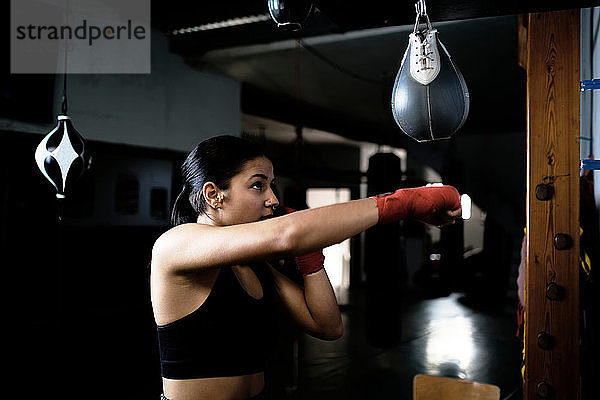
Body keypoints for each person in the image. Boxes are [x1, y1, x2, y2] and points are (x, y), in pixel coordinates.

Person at [150, 135, 462, 400]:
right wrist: (404, 203)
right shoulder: (175, 245)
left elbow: (327, 326)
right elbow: (286, 234)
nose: (273, 199)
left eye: (272, 185)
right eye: (258, 186)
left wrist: (309, 255)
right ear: (213, 194)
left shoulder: (254, 265)